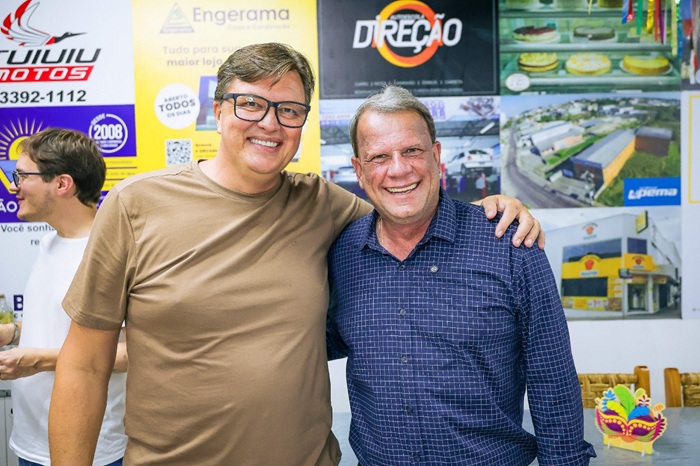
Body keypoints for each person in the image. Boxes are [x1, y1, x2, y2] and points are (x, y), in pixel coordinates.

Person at [48, 43, 542, 465]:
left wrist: (491, 210)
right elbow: (84, 365)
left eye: (288, 110)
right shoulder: (135, 204)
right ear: (217, 110)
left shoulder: (323, 205)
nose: (270, 123)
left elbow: (408, 209)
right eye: (250, 104)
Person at [326, 85, 596, 465]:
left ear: (437, 156)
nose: (398, 169)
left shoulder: (509, 244)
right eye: (379, 156)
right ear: (359, 170)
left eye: (412, 151)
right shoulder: (343, 254)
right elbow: (314, 343)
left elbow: (552, 379)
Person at [0, 128, 127, 466]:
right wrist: (12, 334)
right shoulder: (49, 243)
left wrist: (38, 360)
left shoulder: (110, 253)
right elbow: (64, 325)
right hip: (30, 441)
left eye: (22, 176)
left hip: (91, 450)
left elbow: (131, 353)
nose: (13, 187)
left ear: (62, 184)